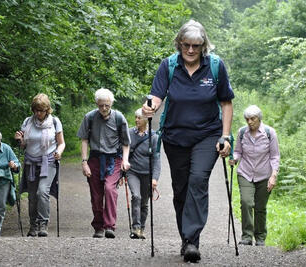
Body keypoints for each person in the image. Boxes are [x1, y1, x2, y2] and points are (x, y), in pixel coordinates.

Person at [142, 20, 234, 262]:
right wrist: (149, 107)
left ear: (203, 46)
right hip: (175, 136)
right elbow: (157, 96)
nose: (191, 50)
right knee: (180, 188)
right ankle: (186, 238)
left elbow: (226, 102)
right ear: (179, 44)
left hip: (208, 134)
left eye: (196, 45)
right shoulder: (169, 66)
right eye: (186, 45)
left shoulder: (215, 66)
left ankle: (193, 240)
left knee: (197, 180)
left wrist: (225, 136)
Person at [77, 88, 131, 238]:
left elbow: (126, 143)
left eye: (107, 105)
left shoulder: (119, 118)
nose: (104, 108)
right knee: (96, 195)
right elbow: (84, 140)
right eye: (101, 105)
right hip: (95, 159)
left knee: (109, 189)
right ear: (96, 103)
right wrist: (84, 162)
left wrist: (125, 160)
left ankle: (109, 226)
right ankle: (98, 227)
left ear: (111, 103)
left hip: (114, 159)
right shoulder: (90, 117)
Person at [14, 93, 65, 237]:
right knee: (32, 196)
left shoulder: (54, 122)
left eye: (41, 110)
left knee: (42, 192)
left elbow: (61, 143)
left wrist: (59, 152)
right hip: (31, 162)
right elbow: (24, 145)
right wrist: (20, 139)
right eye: (36, 110)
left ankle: (43, 223)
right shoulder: (28, 122)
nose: (38, 113)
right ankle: (33, 225)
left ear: (47, 109)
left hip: (48, 161)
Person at [229, 105, 279, 246]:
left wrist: (273, 175)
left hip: (264, 175)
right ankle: (246, 236)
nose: (249, 122)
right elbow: (238, 151)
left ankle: (260, 237)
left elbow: (275, 156)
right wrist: (234, 158)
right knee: (246, 202)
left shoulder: (270, 133)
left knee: (260, 207)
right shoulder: (242, 132)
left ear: (259, 118)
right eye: (247, 119)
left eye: (252, 119)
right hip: (245, 173)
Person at [127, 108, 161, 239]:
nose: (136, 120)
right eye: (135, 117)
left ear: (146, 120)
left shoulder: (154, 137)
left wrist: (155, 178)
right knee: (136, 196)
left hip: (147, 173)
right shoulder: (129, 133)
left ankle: (141, 228)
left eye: (139, 118)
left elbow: (156, 159)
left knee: (144, 203)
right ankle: (135, 228)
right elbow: (123, 152)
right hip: (133, 171)